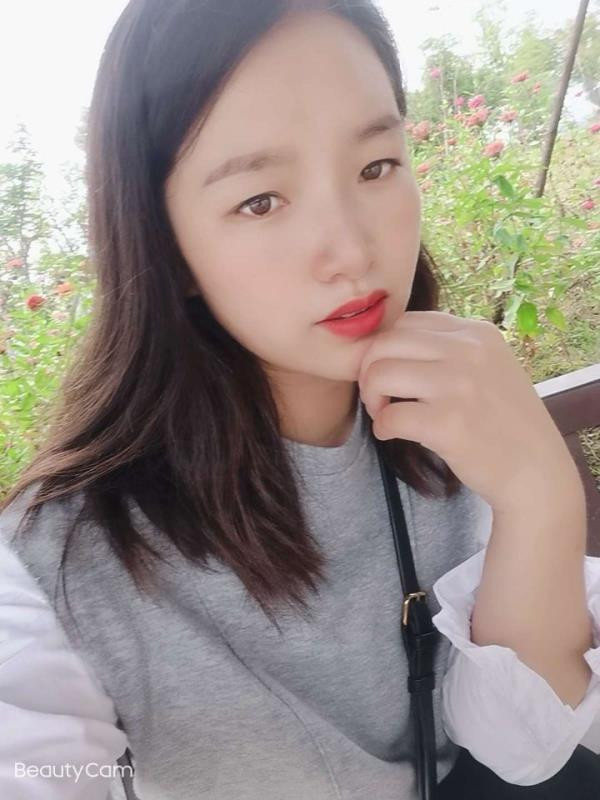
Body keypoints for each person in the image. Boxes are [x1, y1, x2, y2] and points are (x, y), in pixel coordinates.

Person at [1, 1, 599, 798]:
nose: (352, 249)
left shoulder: (455, 424)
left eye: (376, 167)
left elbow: (521, 752)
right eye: (260, 200)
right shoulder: (62, 566)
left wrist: (538, 497)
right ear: (164, 244)